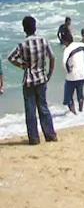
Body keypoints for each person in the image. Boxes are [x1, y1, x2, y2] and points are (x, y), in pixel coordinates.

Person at [7, 16, 58, 144]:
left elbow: (11, 58)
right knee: (43, 108)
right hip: (41, 78)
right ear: (35, 27)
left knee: (30, 111)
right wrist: (49, 73)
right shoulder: (43, 40)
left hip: (29, 80)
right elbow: (52, 57)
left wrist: (22, 65)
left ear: (24, 29)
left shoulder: (23, 44)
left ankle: (34, 139)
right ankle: (50, 135)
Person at [61, 30, 84, 115]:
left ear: (65, 41)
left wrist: (68, 71)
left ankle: (74, 114)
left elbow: (64, 63)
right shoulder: (80, 45)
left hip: (72, 75)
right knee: (80, 93)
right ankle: (81, 111)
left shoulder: (67, 49)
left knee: (69, 96)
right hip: (82, 73)